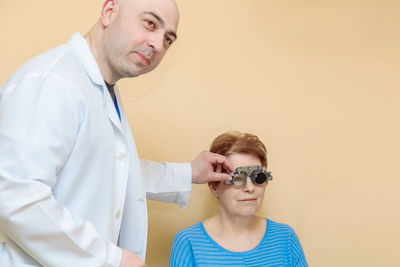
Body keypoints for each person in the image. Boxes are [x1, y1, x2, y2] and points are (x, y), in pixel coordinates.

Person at [0, 0, 233, 266]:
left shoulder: (102, 89)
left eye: (168, 39)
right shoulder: (51, 81)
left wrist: (189, 173)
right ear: (109, 11)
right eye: (150, 23)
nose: (157, 44)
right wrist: (112, 258)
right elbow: (15, 196)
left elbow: (111, 168)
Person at [170, 131, 308, 266]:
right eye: (237, 178)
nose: (250, 188)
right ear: (214, 187)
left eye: (258, 177)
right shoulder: (189, 243)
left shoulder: (285, 238)